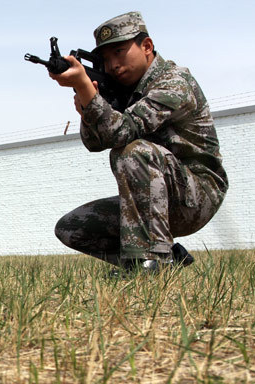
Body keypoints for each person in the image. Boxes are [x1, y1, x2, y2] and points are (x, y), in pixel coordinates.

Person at [50, 11, 227, 273]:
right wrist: (88, 102)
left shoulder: (174, 83)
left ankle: (149, 263)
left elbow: (121, 133)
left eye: (119, 52)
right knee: (73, 227)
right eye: (106, 59)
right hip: (157, 196)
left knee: (133, 152)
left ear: (147, 46)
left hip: (197, 195)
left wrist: (87, 91)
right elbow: (95, 143)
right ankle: (164, 259)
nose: (113, 65)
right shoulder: (124, 89)